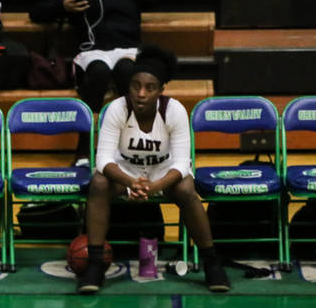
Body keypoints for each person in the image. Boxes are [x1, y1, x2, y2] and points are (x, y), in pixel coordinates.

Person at [78, 45, 230, 294]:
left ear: (160, 90)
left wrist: (153, 186)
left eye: (149, 88)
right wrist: (131, 182)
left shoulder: (175, 110)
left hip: (162, 173)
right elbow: (103, 160)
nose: (141, 93)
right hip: (126, 172)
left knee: (186, 187)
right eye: (135, 86)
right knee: (99, 183)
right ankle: (94, 265)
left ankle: (212, 263)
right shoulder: (117, 109)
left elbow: (182, 164)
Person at [28, 0, 189, 166]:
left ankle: (134, 146)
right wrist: (62, 6)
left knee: (126, 71)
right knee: (99, 72)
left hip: (127, 50)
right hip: (92, 52)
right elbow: (36, 14)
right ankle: (84, 150)